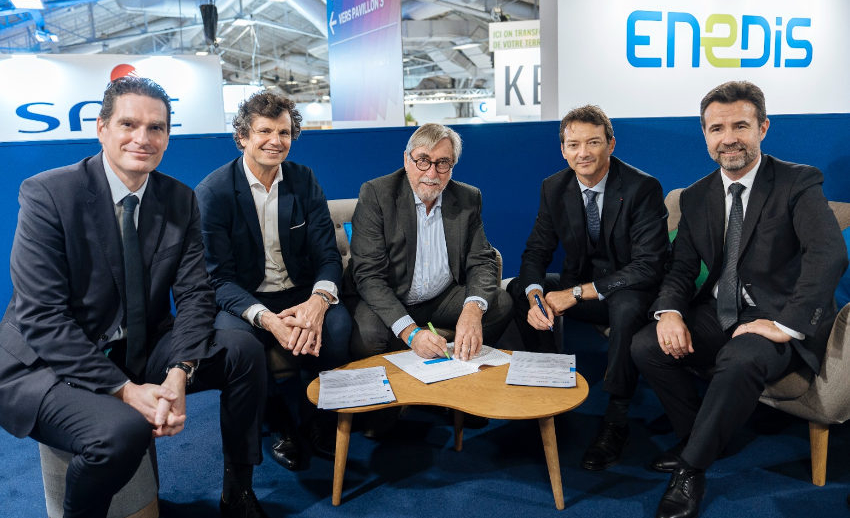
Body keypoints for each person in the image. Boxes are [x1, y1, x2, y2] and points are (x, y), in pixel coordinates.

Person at [0, 77, 275, 518]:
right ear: (102, 127)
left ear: (167, 136)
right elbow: (42, 317)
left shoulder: (179, 199)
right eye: (129, 124)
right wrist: (124, 390)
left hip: (138, 346)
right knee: (123, 431)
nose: (142, 138)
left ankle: (238, 491)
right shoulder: (48, 193)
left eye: (156, 128)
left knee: (243, 350)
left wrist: (180, 372)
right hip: (47, 361)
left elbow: (195, 294)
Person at [631, 81, 847, 518]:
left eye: (740, 126)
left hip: (775, 315)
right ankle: (702, 437)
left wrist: (785, 324)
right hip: (720, 310)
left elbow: (828, 254)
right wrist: (669, 312)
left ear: (762, 128)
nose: (728, 138)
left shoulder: (797, 181)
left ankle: (691, 468)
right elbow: (681, 268)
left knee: (741, 358)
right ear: (705, 134)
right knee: (646, 345)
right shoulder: (696, 196)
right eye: (717, 128)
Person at [507, 104, 668, 471]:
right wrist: (535, 296)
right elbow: (536, 251)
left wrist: (576, 293)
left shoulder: (642, 187)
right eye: (574, 144)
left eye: (593, 142)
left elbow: (648, 266)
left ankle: (616, 420)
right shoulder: (554, 187)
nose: (583, 153)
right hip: (578, 286)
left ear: (611, 144)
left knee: (625, 308)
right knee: (519, 288)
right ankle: (550, 386)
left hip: (632, 288)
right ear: (563, 150)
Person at [195, 91, 351, 469]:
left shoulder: (303, 180)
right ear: (243, 137)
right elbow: (218, 279)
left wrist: (317, 304)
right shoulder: (213, 192)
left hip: (301, 291)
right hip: (245, 296)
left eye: (283, 132)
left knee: (338, 328)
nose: (275, 141)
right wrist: (267, 320)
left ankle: (319, 417)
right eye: (264, 131)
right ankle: (280, 422)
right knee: (238, 345)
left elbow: (328, 256)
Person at [348, 123, 512, 363]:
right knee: (368, 336)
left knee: (501, 303)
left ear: (452, 165)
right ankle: (407, 376)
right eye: (423, 160)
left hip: (440, 298)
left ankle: (456, 368)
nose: (432, 173)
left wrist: (472, 310)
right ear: (407, 160)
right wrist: (411, 333)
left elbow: (482, 260)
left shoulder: (467, 198)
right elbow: (368, 275)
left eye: (443, 163)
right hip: (391, 296)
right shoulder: (376, 194)